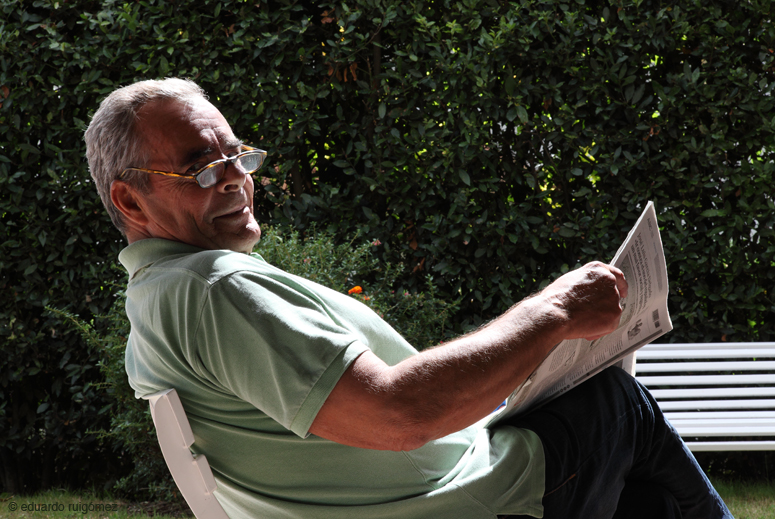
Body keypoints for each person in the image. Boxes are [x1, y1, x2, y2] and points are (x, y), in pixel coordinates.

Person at [84, 78, 732, 519]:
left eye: (237, 156)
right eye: (200, 166)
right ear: (130, 200)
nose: (234, 179)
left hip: (449, 486)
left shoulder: (163, 296)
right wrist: (553, 310)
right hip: (466, 502)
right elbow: (398, 415)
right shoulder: (212, 288)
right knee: (615, 404)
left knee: (639, 490)